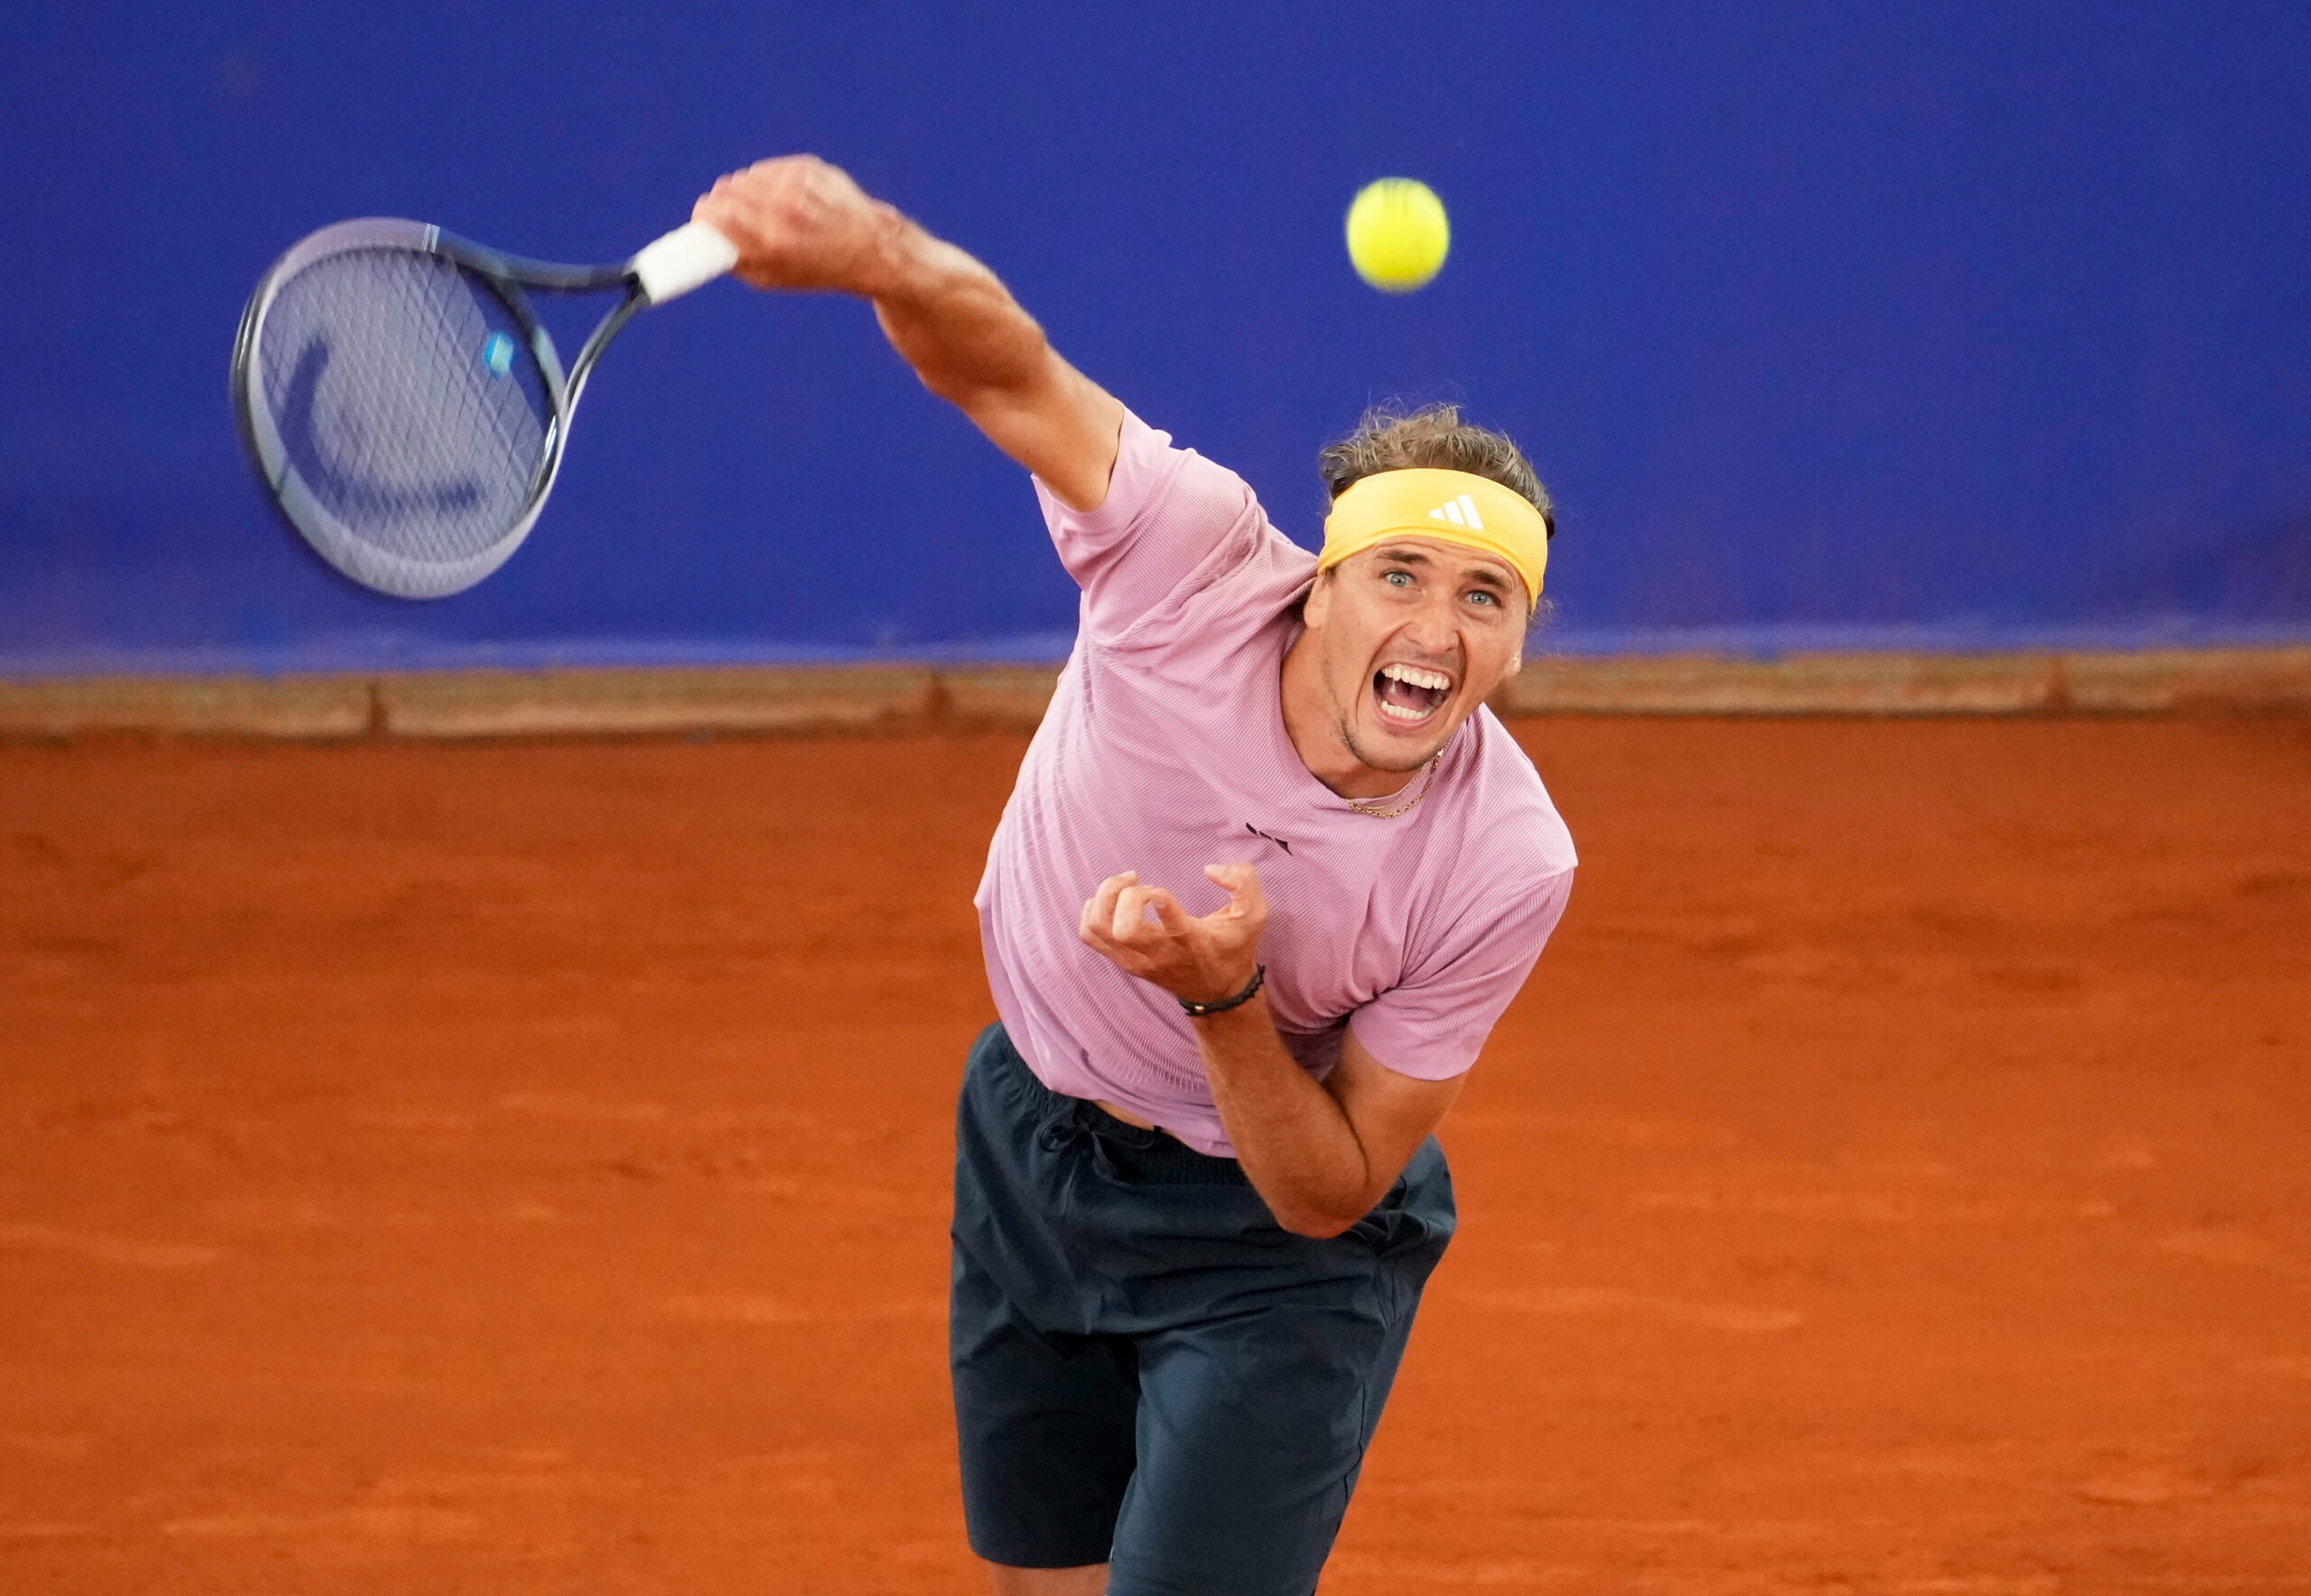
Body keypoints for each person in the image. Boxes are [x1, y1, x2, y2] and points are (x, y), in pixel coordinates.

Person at [695, 156, 1577, 1596]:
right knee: (1039, 1579)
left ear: (1518, 648)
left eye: (1487, 598)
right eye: (1398, 575)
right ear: (1318, 584)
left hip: (1272, 1260)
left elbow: (1333, 1187)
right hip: (1031, 1143)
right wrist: (884, 256)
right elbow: (1011, 375)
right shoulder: (1188, 559)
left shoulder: (1505, 859)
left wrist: (1227, 1003)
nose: (1436, 624)